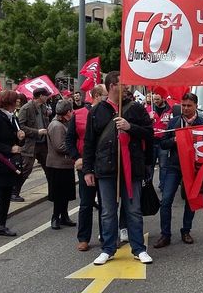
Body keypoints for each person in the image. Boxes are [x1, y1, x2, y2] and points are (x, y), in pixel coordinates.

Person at [82, 71, 154, 266]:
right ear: (112, 85)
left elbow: (150, 133)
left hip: (132, 168)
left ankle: (139, 249)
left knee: (133, 210)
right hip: (106, 169)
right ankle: (108, 248)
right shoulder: (97, 111)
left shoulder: (137, 109)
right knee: (107, 211)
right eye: (124, 84)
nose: (128, 87)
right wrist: (88, 169)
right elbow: (89, 143)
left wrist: (130, 127)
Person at [154, 92, 203, 249]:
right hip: (175, 166)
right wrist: (175, 140)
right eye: (183, 105)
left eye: (188, 106)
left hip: (193, 167)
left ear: (196, 106)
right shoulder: (174, 122)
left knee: (191, 201)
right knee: (166, 201)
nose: (185, 108)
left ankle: (186, 231)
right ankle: (165, 234)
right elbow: (162, 143)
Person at [65, 84, 107, 251]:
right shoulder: (79, 114)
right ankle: (83, 238)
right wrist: (77, 157)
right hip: (85, 166)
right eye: (104, 95)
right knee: (86, 204)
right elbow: (69, 139)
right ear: (96, 95)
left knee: (106, 204)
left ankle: (106, 236)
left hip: (105, 165)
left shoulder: (111, 113)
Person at [0, 91, 25, 242]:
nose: (18, 103)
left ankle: (2, 225)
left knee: (6, 195)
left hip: (10, 164)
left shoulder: (12, 117)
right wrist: (9, 149)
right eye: (15, 101)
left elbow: (16, 141)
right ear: (8, 102)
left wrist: (20, 138)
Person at [13, 87, 50, 202]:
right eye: (46, 95)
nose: (47, 97)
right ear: (40, 96)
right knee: (26, 168)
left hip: (43, 143)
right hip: (31, 144)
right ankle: (14, 192)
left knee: (49, 167)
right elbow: (20, 126)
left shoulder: (43, 107)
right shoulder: (26, 108)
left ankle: (53, 190)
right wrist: (37, 132)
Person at [46, 100, 76, 230]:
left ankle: (64, 216)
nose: (72, 113)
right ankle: (55, 217)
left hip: (65, 164)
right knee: (59, 194)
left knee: (65, 193)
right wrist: (75, 148)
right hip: (58, 165)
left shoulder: (64, 123)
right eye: (71, 111)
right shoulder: (57, 126)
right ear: (67, 112)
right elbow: (60, 146)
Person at [147, 93, 172, 191]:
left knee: (163, 165)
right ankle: (148, 186)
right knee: (150, 165)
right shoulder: (149, 109)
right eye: (154, 99)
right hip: (152, 141)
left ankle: (163, 186)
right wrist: (149, 120)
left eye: (157, 99)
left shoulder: (170, 110)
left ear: (163, 98)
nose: (155, 101)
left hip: (163, 141)